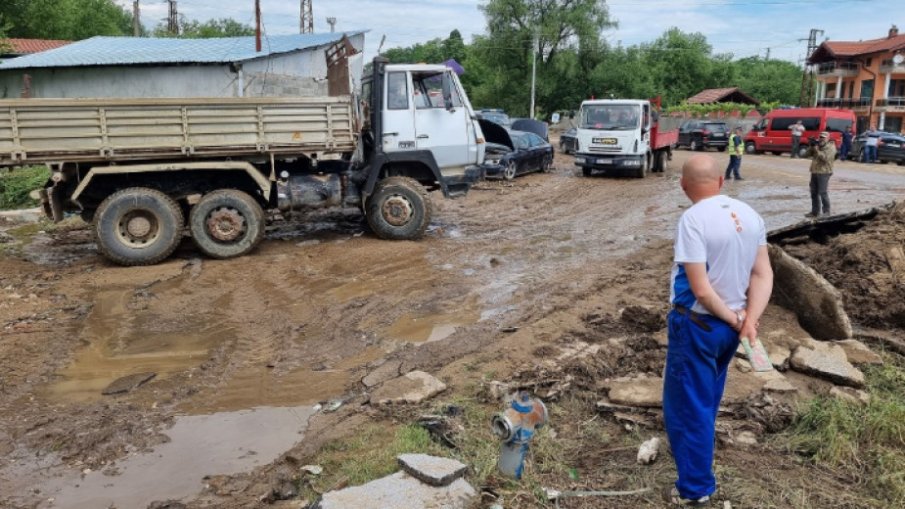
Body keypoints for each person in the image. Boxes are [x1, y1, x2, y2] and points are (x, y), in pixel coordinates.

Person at [664, 154, 773, 506]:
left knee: (687, 407)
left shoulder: (693, 219)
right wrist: (749, 321)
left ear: (683, 186)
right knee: (706, 400)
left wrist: (731, 318)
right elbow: (762, 273)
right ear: (722, 182)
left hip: (699, 326)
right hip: (732, 328)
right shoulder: (750, 214)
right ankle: (695, 462)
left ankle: (695, 491)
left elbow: (700, 289)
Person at [805, 131, 836, 217]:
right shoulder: (818, 146)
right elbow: (805, 155)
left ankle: (826, 212)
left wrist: (816, 149)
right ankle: (815, 212)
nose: (822, 139)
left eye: (824, 137)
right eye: (821, 137)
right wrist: (811, 146)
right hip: (814, 171)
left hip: (824, 172)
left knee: (823, 192)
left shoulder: (831, 147)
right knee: (813, 192)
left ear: (828, 138)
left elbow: (825, 159)